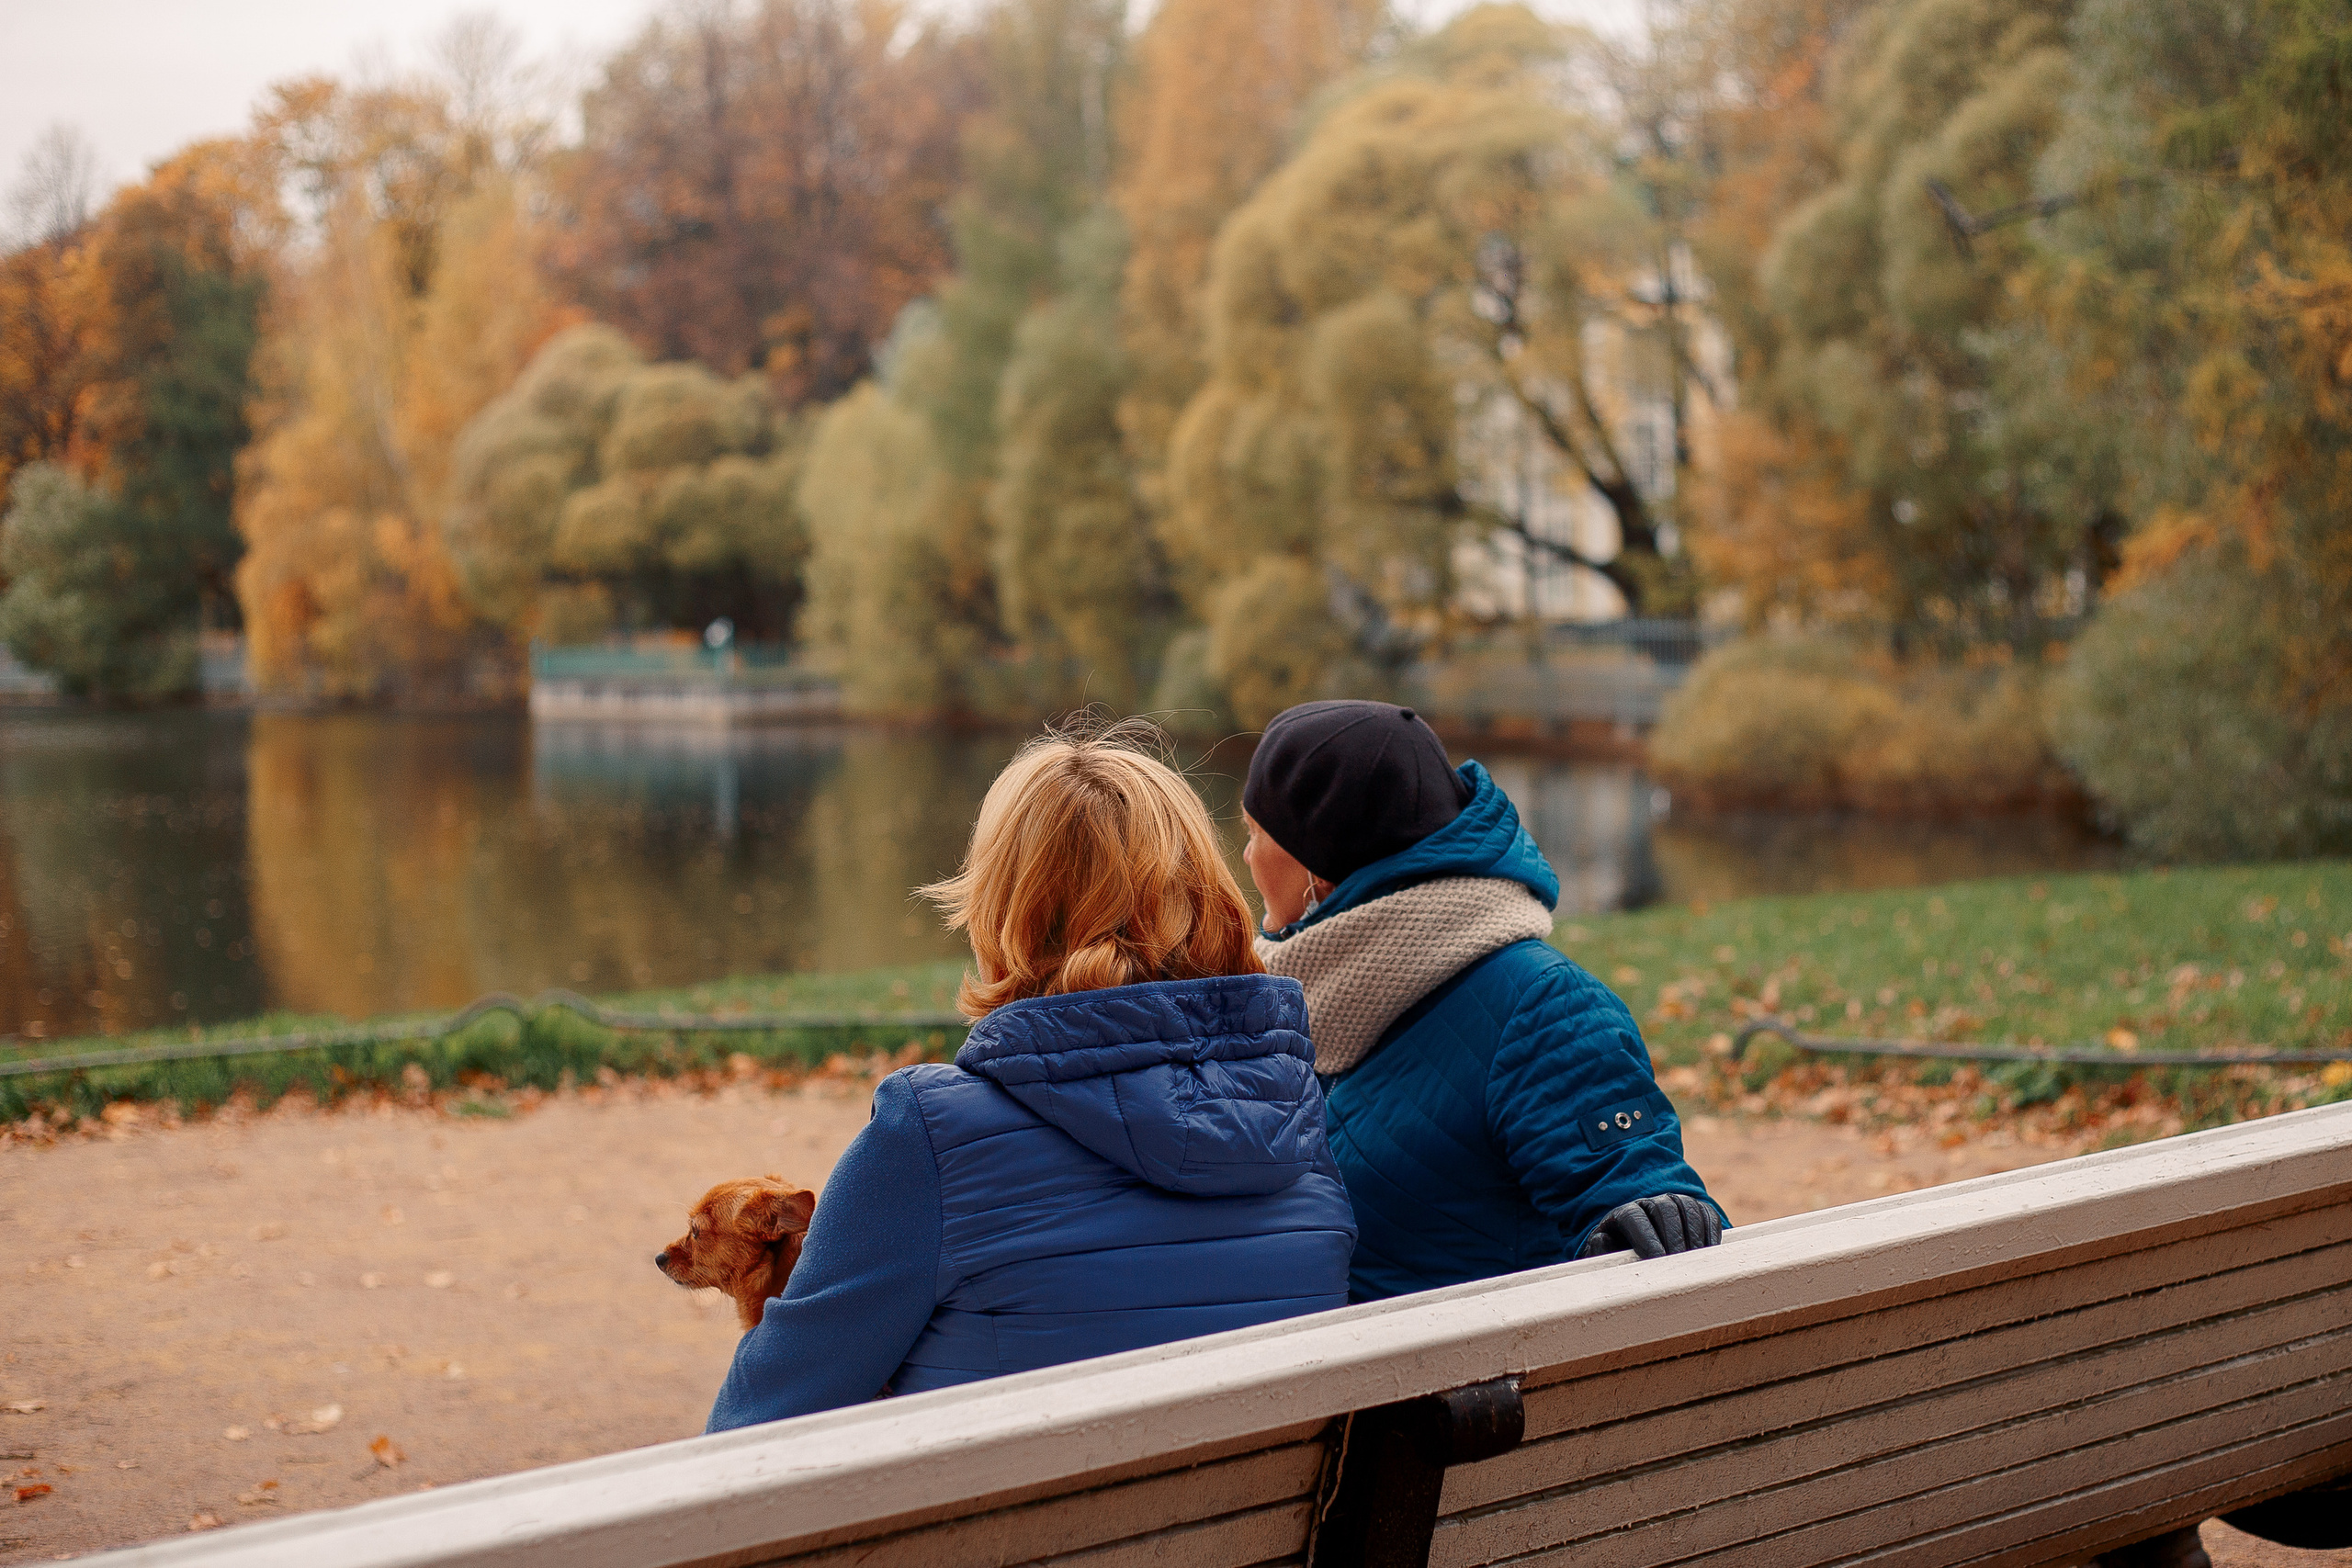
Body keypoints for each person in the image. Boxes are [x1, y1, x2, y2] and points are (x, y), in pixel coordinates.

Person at [705, 722, 1356, 1429]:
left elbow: (748, 1436)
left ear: (1003, 912)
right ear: (1204, 901)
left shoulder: (928, 1135)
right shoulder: (1296, 1116)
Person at [1242, 699, 1723, 1303]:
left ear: (1320, 865)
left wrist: (1651, 1202)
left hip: (1464, 1392)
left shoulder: (1544, 1008)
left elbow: (1639, 1197)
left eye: (1256, 833)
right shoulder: (1309, 998)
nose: (1247, 855)